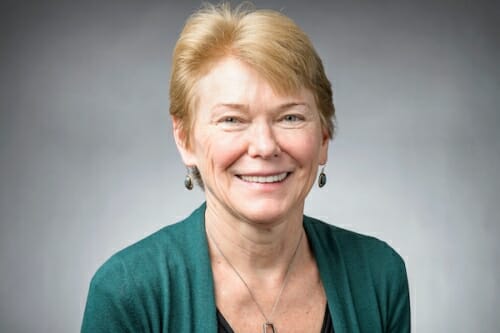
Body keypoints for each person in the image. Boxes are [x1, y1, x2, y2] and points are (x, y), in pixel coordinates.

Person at [81, 3, 410, 333]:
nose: (265, 146)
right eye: (232, 120)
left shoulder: (379, 274)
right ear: (185, 139)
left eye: (290, 117)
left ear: (324, 136)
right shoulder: (126, 293)